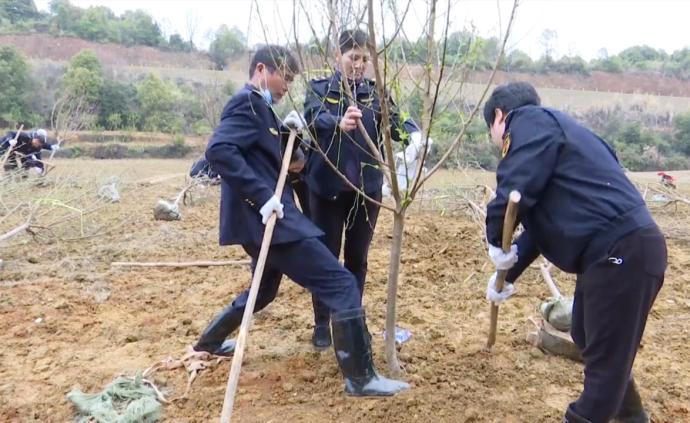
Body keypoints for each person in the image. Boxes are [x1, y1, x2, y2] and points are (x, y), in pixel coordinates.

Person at [192, 45, 408, 396]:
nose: (287, 87)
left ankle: (210, 341)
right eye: (285, 78)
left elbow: (285, 162)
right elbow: (218, 151)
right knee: (341, 284)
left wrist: (292, 144)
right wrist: (262, 198)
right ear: (263, 69)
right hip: (270, 222)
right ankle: (361, 378)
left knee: (263, 290)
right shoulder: (246, 103)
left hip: (264, 221)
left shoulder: (262, 109)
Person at [482, 81, 666, 423]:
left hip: (622, 251)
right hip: (618, 252)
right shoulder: (564, 138)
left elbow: (512, 190)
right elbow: (540, 225)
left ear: (499, 117)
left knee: (605, 369)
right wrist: (505, 273)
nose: (499, 146)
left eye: (493, 132)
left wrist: (493, 238)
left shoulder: (529, 123)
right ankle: (633, 418)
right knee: (585, 333)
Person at [303, 29, 421, 348]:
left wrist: (416, 136)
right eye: (353, 58)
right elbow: (311, 118)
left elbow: (398, 123)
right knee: (326, 258)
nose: (359, 65)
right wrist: (337, 122)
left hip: (366, 193)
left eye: (365, 59)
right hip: (327, 190)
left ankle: (350, 323)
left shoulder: (375, 93)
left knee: (358, 259)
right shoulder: (320, 90)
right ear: (337, 56)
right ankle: (321, 325)